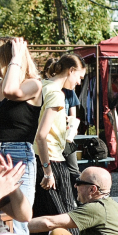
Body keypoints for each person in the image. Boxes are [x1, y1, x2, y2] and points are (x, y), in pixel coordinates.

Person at [0, 37, 40, 235]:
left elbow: (10, 90)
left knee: (19, 223)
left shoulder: (33, 85)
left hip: (17, 156)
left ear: (6, 60)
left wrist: (16, 57)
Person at [33, 53, 87, 220]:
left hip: (36, 157)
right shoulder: (56, 94)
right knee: (65, 215)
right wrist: (48, 171)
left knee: (42, 214)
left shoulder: (42, 86)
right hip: (51, 159)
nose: (79, 82)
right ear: (71, 71)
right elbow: (41, 135)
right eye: (79, 77)